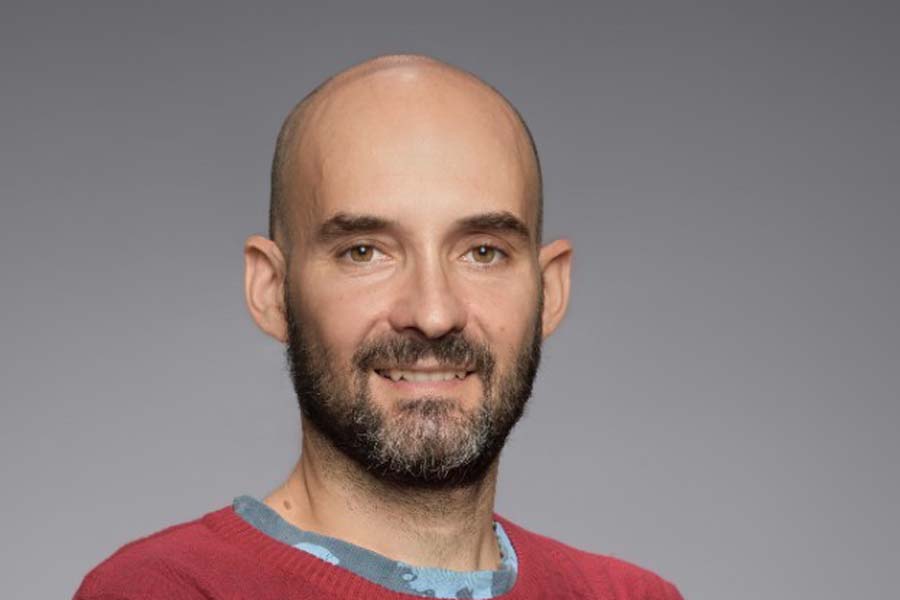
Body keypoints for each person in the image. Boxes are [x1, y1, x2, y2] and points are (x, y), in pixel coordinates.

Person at [73, 54, 683, 600]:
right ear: (271, 290)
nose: (433, 314)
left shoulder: (630, 596)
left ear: (550, 291)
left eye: (483, 251)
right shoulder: (161, 591)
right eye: (364, 251)